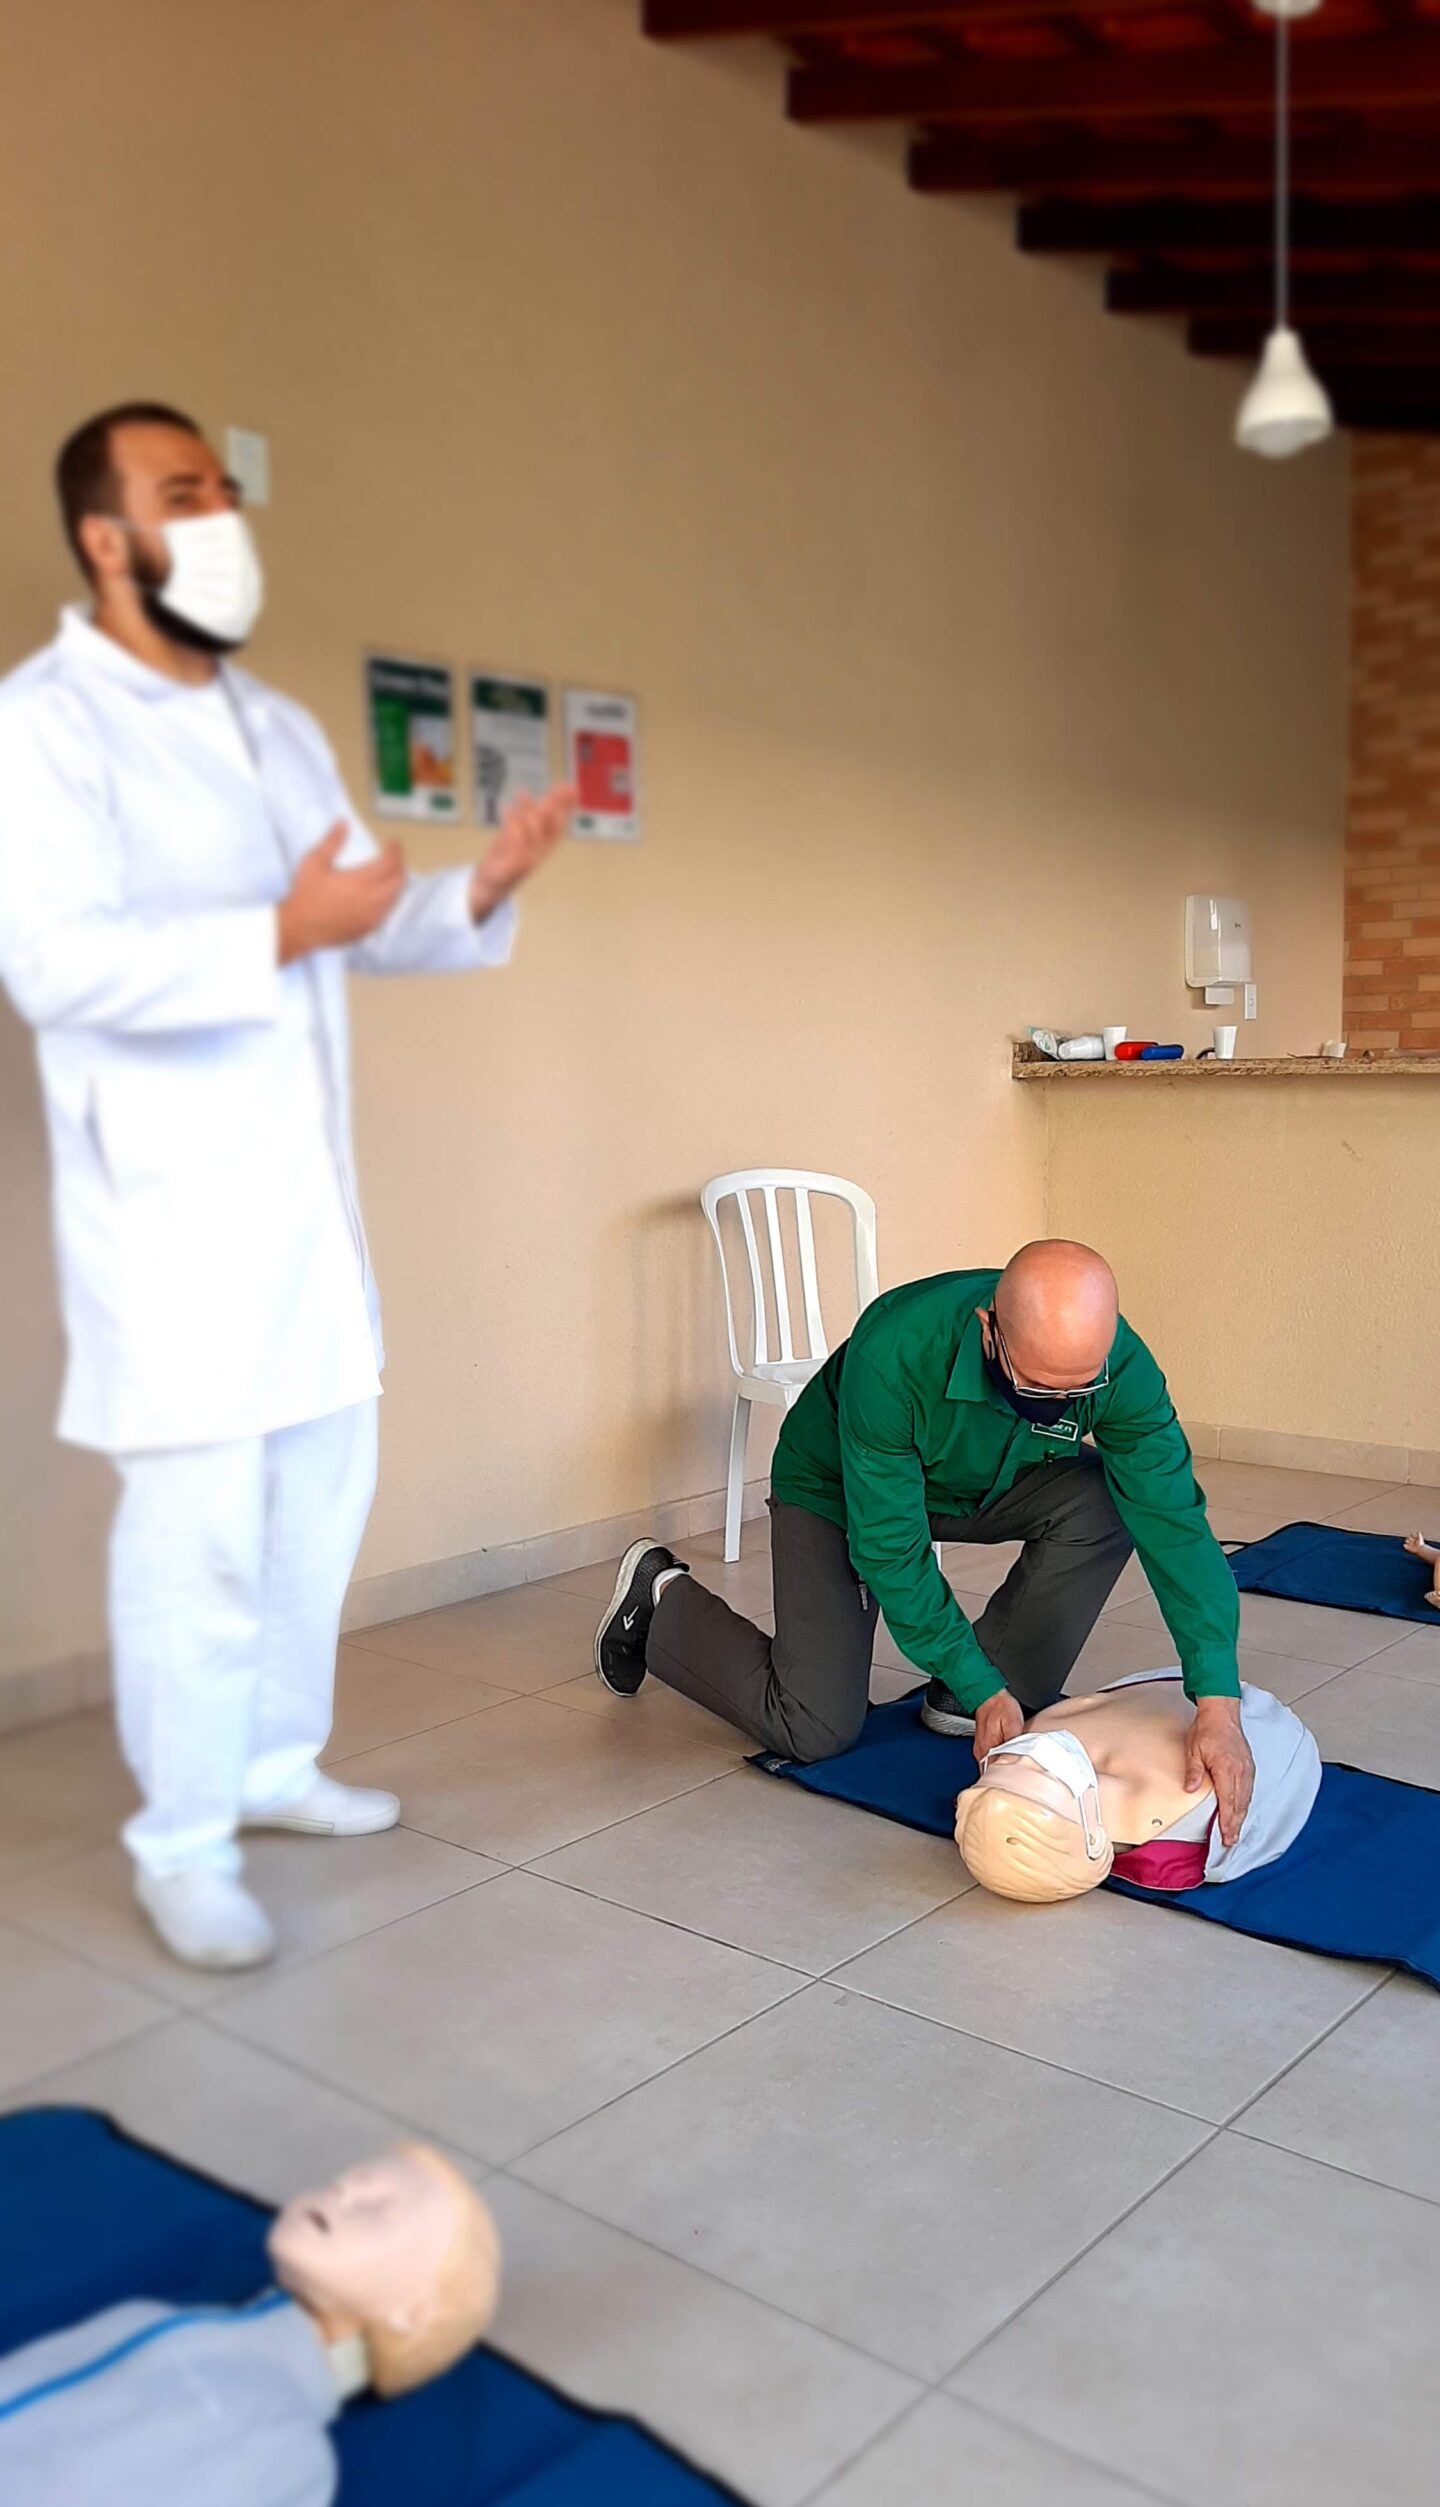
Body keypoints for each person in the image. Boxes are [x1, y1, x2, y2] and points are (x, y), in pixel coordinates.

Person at [0, 402, 573, 1970]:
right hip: (169, 1224)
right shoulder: (43, 725)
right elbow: (54, 966)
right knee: (191, 1539)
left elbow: (360, 916)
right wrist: (281, 932)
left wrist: (477, 887)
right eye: (182, 491)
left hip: (307, 1217)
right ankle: (180, 1843)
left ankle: (271, 1763)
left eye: (222, 489)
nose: (219, 516)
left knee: (317, 1504)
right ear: (106, 536)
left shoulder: (277, 726)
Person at [596, 1241, 1255, 1841]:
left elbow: (1175, 1523)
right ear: (990, 1330)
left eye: (1077, 1391)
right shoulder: (895, 1353)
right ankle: (660, 1603)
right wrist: (978, 1681)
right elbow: (891, 1547)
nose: (1059, 1409)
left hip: (986, 1483)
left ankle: (980, 1690)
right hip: (839, 1491)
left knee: (1110, 1497)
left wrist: (1218, 1700)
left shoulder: (1119, 1364)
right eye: (1036, 1390)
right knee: (814, 1726)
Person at [0, 2140, 501, 2507]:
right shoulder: (162, 2319)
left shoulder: (287, 2448)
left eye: (379, 2209)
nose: (346, 2191)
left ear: (413, 2314)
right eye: (343, 2181)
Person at [953, 1668, 1320, 1901]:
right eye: (1034, 1774)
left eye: (1007, 1766)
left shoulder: (1034, 1744)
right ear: (1095, 1841)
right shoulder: (1176, 1802)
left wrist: (982, 1691)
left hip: (1171, 1686)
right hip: (1248, 1728)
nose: (1022, 1757)